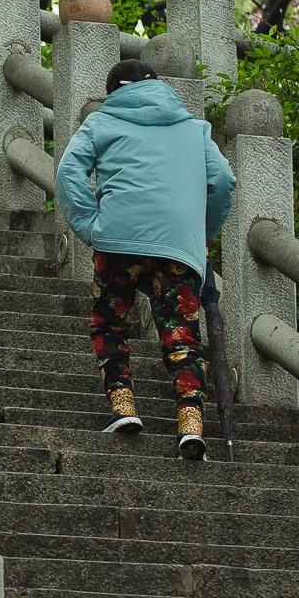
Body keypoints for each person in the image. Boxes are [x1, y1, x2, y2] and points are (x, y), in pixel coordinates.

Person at [54, 59, 235, 459]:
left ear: (112, 92)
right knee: (183, 337)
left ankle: (124, 408)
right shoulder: (194, 128)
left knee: (110, 323)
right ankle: (190, 427)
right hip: (178, 247)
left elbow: (68, 171)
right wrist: (199, 233)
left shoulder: (100, 122)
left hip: (118, 239)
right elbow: (223, 179)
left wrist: (91, 226)